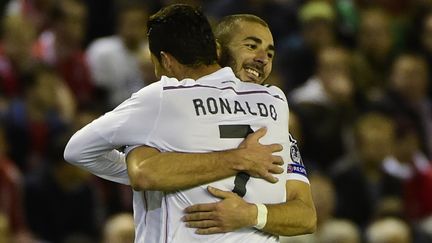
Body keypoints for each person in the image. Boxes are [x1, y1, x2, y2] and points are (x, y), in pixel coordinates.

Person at [65, 4, 315, 242]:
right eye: (252, 46)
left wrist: (251, 214)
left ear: (166, 60)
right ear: (217, 50)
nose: (262, 59)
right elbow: (146, 173)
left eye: (270, 53)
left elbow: (305, 216)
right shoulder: (275, 102)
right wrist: (237, 160)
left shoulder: (164, 98)